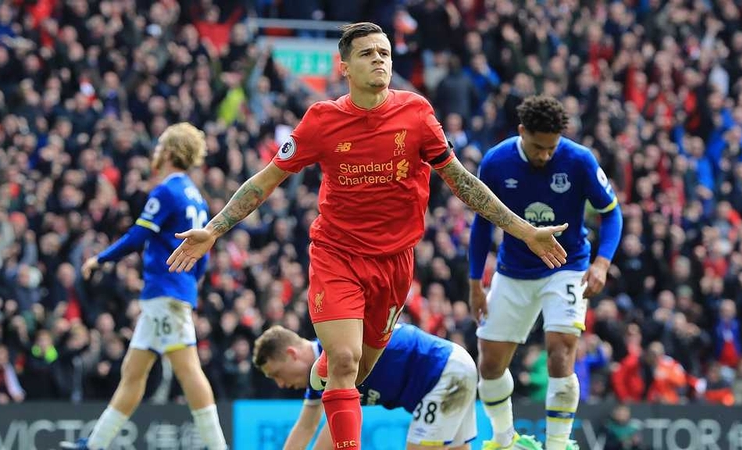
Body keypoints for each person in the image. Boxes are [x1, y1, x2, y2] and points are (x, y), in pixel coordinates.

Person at [167, 22, 567, 449]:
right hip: (336, 255)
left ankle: (330, 373)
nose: (380, 59)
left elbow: (463, 183)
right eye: (368, 53)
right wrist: (213, 229)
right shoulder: (321, 121)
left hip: (394, 265)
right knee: (343, 360)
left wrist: (524, 231)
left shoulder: (416, 115)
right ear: (344, 67)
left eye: (385, 52)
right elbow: (264, 182)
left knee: (357, 373)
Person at [469, 95, 623, 450]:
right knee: (489, 363)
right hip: (513, 269)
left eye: (551, 147)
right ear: (522, 132)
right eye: (538, 147)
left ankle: (557, 444)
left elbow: (611, 213)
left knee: (561, 349)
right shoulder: (496, 162)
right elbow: (481, 226)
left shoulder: (580, 160)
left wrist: (601, 263)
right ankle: (505, 441)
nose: (545, 155)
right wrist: (476, 283)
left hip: (567, 266)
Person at [60, 123, 227, 450]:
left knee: (188, 369)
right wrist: (190, 284)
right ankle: (95, 444)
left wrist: (100, 258)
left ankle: (218, 446)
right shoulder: (196, 196)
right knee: (133, 372)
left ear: (167, 152)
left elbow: (138, 236)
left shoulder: (167, 191)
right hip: (172, 291)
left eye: (159, 146)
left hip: (166, 292)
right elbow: (204, 251)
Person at [253, 323, 481, 450]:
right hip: (453, 365)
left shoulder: (337, 355)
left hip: (445, 372)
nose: (281, 383)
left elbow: (331, 434)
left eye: (277, 374)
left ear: (292, 354)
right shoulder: (322, 372)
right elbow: (306, 427)